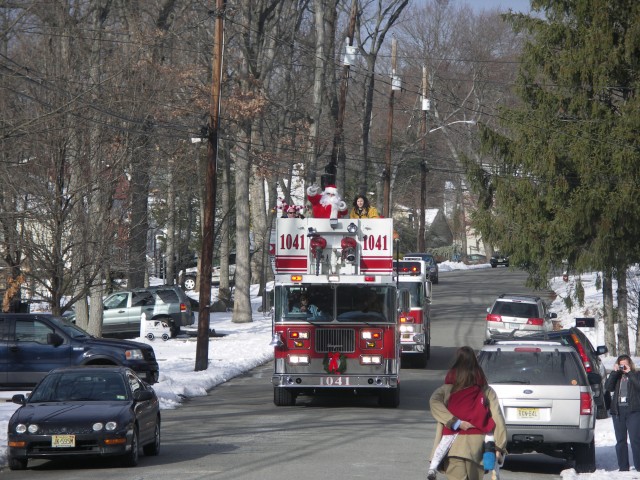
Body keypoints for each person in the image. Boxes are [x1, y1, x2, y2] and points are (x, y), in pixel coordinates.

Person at [428, 346, 507, 480]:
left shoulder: (447, 389)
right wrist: (499, 446)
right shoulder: (486, 390)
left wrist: (454, 421)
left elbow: (433, 402)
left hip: (453, 448)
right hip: (477, 447)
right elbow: (498, 418)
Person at [605, 354, 640, 472]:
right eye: (621, 365)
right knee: (620, 441)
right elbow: (608, 387)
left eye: (626, 364)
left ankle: (639, 466)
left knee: (635, 440)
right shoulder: (617, 376)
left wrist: (630, 373)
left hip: (633, 411)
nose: (623, 367)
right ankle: (623, 467)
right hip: (618, 412)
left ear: (630, 364)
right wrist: (614, 373)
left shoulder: (636, 374)